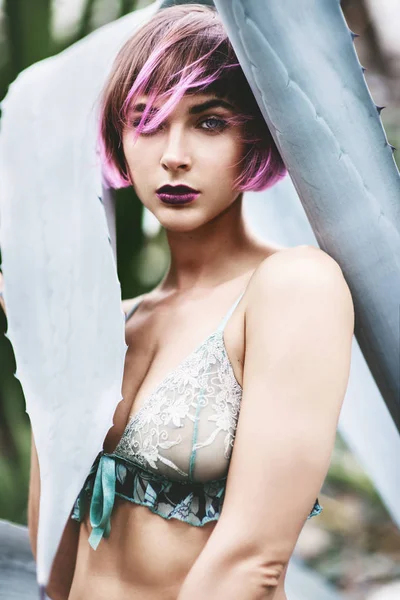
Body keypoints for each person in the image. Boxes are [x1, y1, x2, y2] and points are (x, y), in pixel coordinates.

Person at [21, 4, 354, 600]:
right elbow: (55, 563)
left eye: (208, 121)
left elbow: (253, 562)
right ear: (120, 141)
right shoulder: (115, 321)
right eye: (146, 120)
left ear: (253, 134)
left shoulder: (292, 287)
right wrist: (50, 367)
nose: (173, 154)